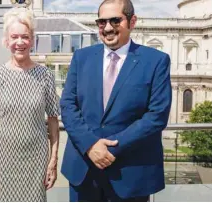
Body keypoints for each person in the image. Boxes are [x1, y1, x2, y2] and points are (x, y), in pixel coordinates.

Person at [60, 0, 172, 201]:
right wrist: (91, 145)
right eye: (102, 22)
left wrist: (109, 149)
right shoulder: (81, 57)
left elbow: (157, 116)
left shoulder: (156, 61)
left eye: (115, 20)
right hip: (84, 169)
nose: (108, 27)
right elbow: (68, 106)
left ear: (132, 21)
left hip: (131, 172)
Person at [0, 7, 60, 202]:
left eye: (25, 37)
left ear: (32, 40)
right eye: (14, 37)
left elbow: (52, 120)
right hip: (2, 161)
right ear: (6, 41)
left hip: (36, 160)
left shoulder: (45, 76)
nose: (19, 42)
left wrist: (53, 160)